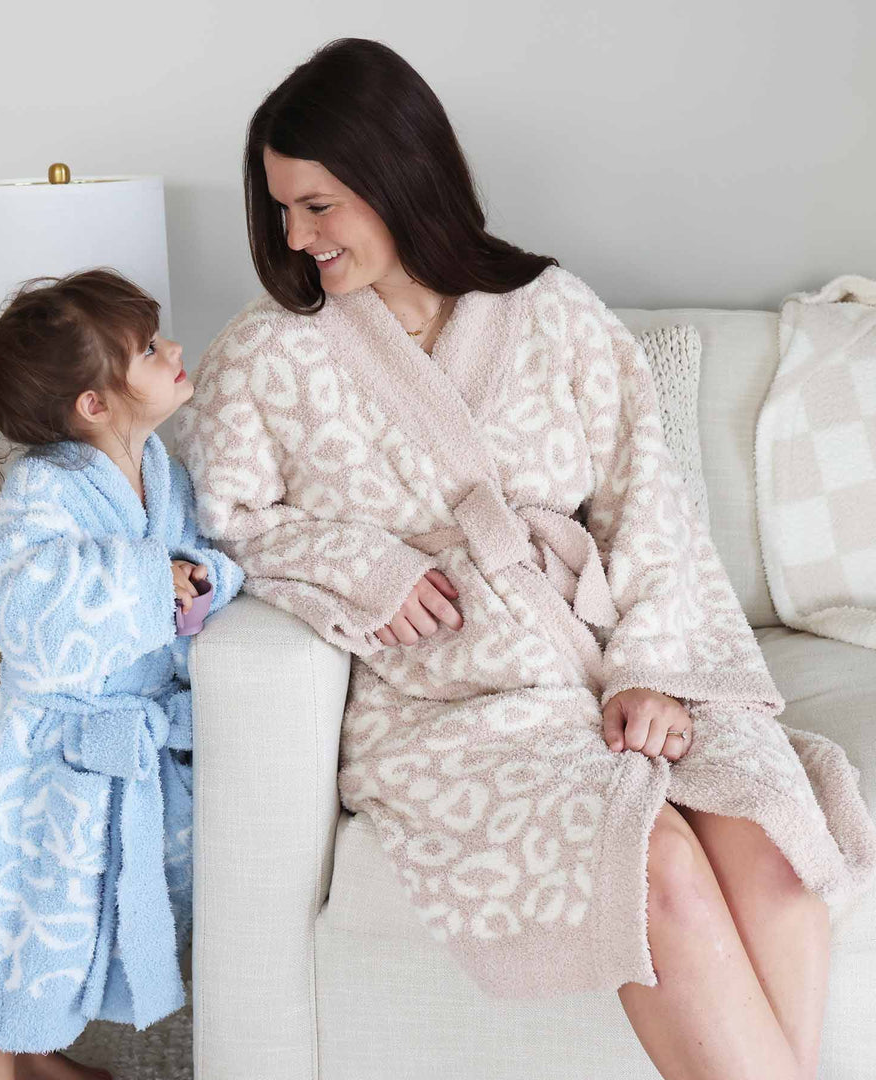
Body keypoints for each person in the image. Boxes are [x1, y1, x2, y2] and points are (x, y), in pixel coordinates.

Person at [175, 38, 876, 1080]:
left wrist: (652, 669)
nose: (296, 236)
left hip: (606, 655)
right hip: (448, 700)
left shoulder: (553, 310)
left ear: (398, 176)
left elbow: (653, 499)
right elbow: (223, 522)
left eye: (318, 205)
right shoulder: (270, 349)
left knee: (771, 843)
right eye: (281, 209)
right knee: (661, 871)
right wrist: (364, 566)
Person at [0, 269, 244, 1080]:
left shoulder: (162, 468)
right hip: (47, 758)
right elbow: (23, 600)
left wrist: (199, 580)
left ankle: (44, 1054)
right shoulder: (45, 487)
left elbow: (197, 559)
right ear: (95, 405)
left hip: (124, 746)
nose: (172, 349)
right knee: (13, 921)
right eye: (146, 348)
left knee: (69, 924)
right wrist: (145, 583)